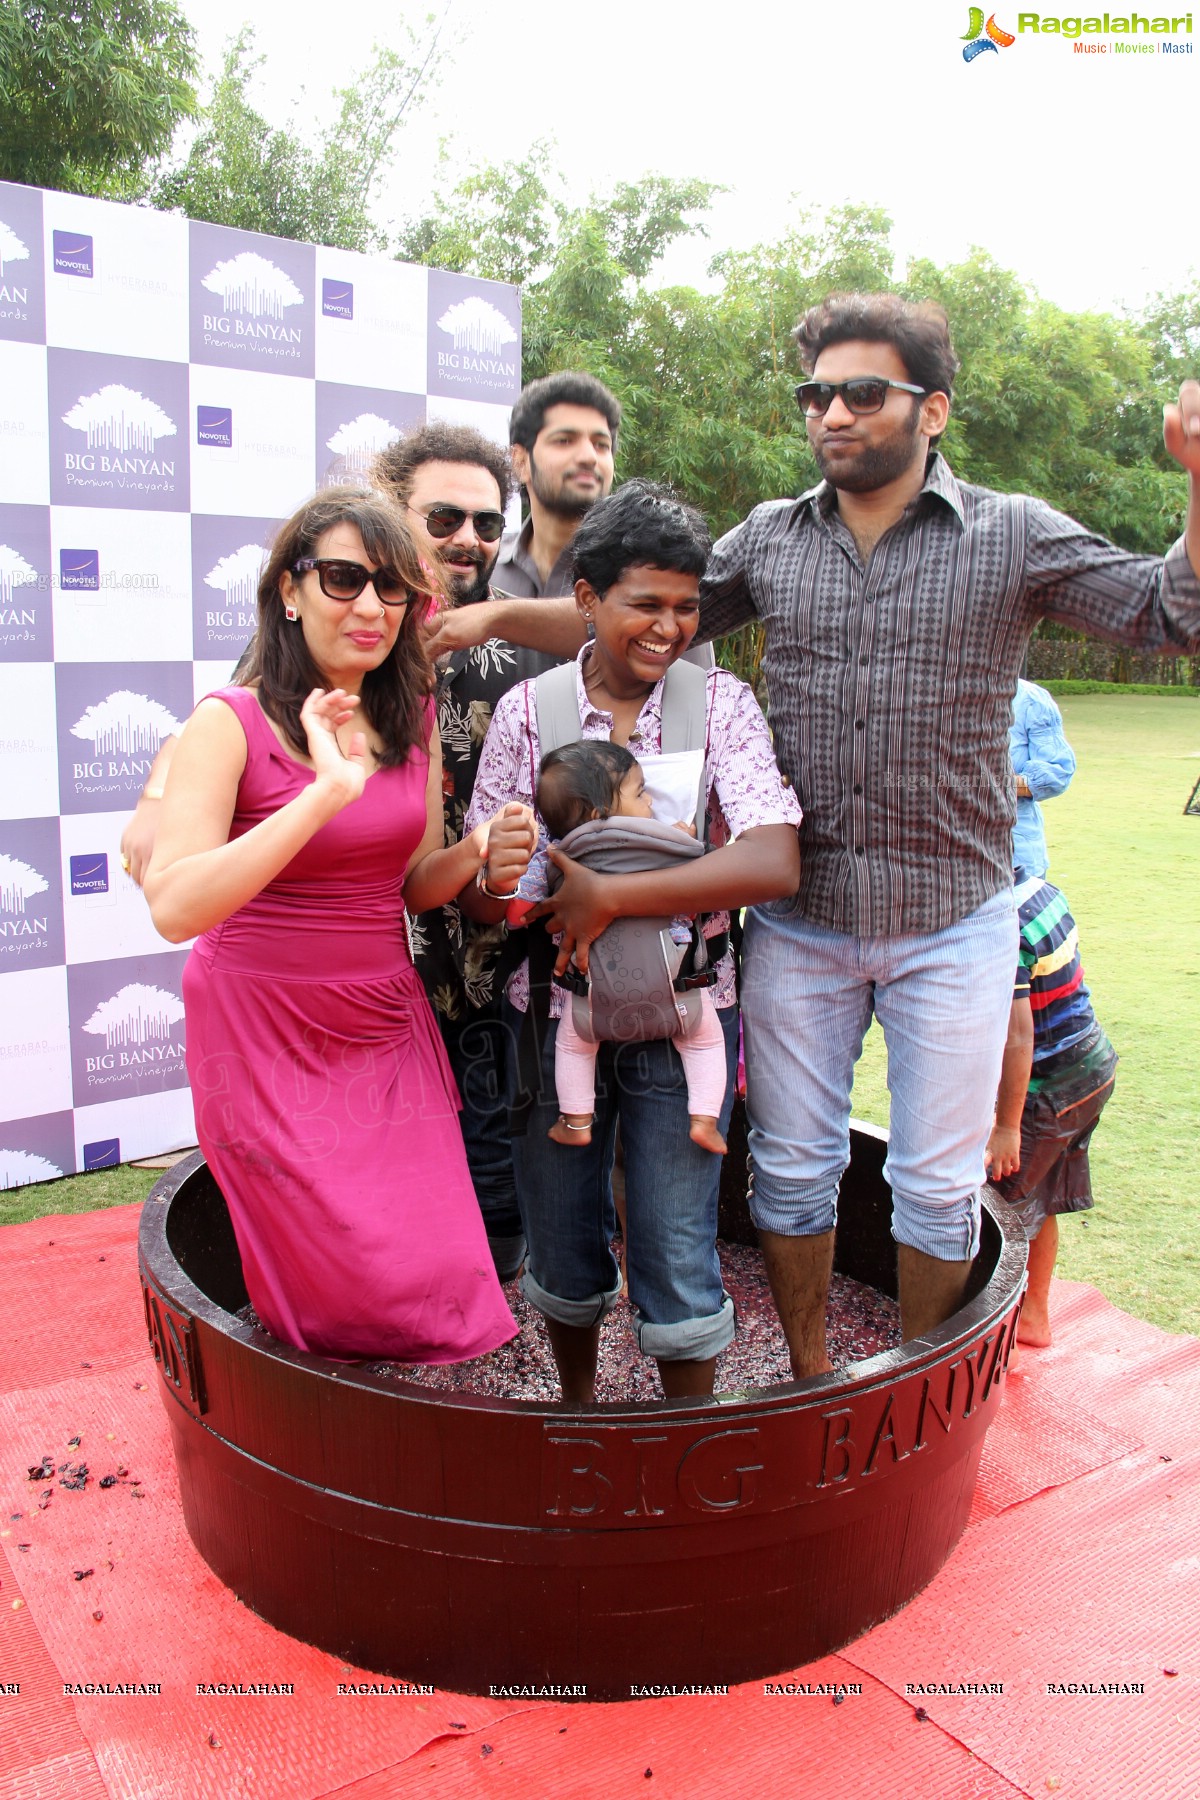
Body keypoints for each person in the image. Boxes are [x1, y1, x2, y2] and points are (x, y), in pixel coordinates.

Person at [441, 295, 1200, 1378]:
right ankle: (809, 1382)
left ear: (932, 408)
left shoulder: (1012, 533)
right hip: (803, 922)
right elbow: (636, 615)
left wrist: (1194, 477)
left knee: (938, 1190)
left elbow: (1173, 610)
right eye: (816, 394)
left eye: (861, 393)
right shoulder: (770, 539)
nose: (831, 413)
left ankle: (915, 1395)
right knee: (792, 1172)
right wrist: (493, 618)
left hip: (956, 918)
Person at [142, 488, 530, 1365]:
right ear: (290, 590)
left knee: (431, 1268)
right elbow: (174, 906)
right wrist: (323, 794)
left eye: (391, 588)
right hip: (260, 1024)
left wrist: (476, 852)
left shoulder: (410, 719)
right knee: (328, 1283)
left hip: (384, 1019)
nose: (369, 607)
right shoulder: (229, 722)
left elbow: (412, 887)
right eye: (345, 578)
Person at [460, 481, 802, 1405]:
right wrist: (500, 877)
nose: (669, 628)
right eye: (644, 605)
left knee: (676, 1235)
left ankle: (686, 1436)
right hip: (553, 1017)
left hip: (687, 1015)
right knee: (564, 1230)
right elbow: (494, 904)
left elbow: (773, 861)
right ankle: (580, 1410)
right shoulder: (529, 713)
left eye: (687, 607)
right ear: (585, 597)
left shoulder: (719, 704)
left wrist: (613, 894)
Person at [372, 421, 557, 1284]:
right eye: (444, 517)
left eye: (489, 524)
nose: (468, 540)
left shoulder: (520, 655)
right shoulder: (342, 635)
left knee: (490, 1146)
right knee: (370, 1151)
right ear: (392, 509)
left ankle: (493, 1324)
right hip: (362, 958)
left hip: (488, 955)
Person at [512, 740, 730, 1154]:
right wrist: (685, 838)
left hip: (592, 999)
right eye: (640, 792)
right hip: (674, 986)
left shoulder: (556, 857)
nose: (650, 800)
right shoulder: (665, 841)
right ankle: (704, 1120)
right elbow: (711, 875)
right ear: (600, 812)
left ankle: (576, 1121)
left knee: (573, 1045)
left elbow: (521, 909)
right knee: (704, 1040)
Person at [985, 871, 1118, 1351]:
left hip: (1047, 1089)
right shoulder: (1040, 889)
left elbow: (1018, 1036)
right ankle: (1033, 1319)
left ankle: (998, 1350)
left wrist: (1005, 1126)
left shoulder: (1002, 922)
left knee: (1001, 1212)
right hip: (1089, 1067)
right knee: (1035, 1203)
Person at [1010, 677, 1076, 877]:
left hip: (1015, 856)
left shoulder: (1029, 698)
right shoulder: (933, 693)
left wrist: (987, 786)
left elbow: (1056, 772)